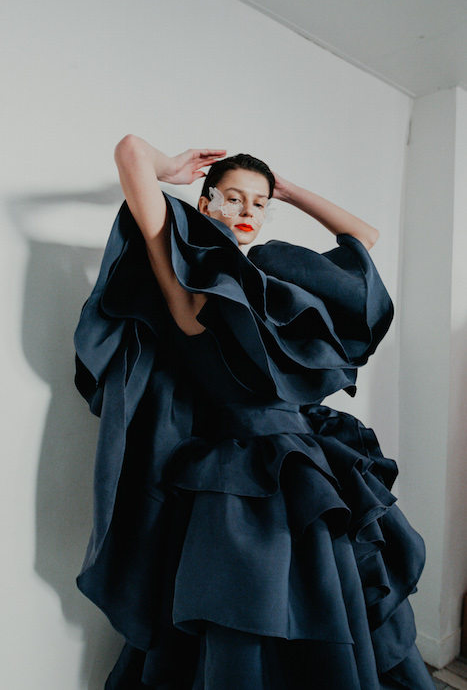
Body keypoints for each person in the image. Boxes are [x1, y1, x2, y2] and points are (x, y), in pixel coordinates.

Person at [74, 136, 435, 689]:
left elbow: (363, 238)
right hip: (236, 476)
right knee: (244, 609)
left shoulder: (278, 284)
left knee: (327, 602)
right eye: (233, 197)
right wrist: (172, 167)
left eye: (258, 203)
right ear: (205, 204)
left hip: (310, 467)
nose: (247, 210)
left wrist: (285, 190)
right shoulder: (188, 287)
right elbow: (130, 152)